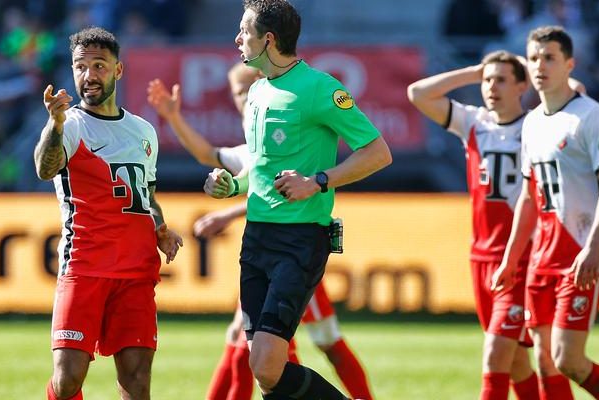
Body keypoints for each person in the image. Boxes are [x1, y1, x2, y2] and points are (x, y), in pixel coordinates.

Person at [147, 62, 375, 400]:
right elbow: (208, 155)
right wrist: (174, 117)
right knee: (252, 343)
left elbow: (276, 194)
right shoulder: (254, 145)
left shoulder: (286, 134)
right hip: (269, 252)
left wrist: (228, 213)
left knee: (308, 345)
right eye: (236, 93)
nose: (239, 99)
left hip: (293, 252)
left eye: (241, 90)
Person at [204, 1, 392, 398]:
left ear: (268, 39)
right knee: (263, 369)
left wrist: (319, 181)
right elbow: (259, 169)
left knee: (269, 364)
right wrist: (231, 186)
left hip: (300, 240)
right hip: (256, 240)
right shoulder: (256, 91)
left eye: (244, 31)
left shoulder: (322, 89)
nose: (237, 39)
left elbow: (377, 153)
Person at [33, 27, 183, 400]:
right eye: (80, 66)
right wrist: (54, 124)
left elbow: (146, 194)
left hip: (135, 270)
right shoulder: (70, 126)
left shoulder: (143, 131)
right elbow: (44, 168)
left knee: (136, 380)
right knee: (68, 380)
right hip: (84, 266)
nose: (89, 75)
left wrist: (160, 227)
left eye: (99, 65)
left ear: (118, 71)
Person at [492, 26, 599, 400]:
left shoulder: (591, 117)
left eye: (549, 57)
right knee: (546, 359)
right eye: (534, 58)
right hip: (542, 258)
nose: (540, 66)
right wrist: (512, 257)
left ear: (570, 64)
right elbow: (529, 197)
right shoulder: (533, 121)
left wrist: (593, 246)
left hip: (581, 253)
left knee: (569, 359)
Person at [408, 51, 540, 400]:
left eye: (500, 80)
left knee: (496, 353)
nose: (491, 87)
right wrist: (472, 72)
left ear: (522, 86)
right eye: (487, 81)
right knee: (516, 362)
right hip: (481, 257)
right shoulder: (474, 122)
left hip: (521, 257)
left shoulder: (536, 126)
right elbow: (418, 94)